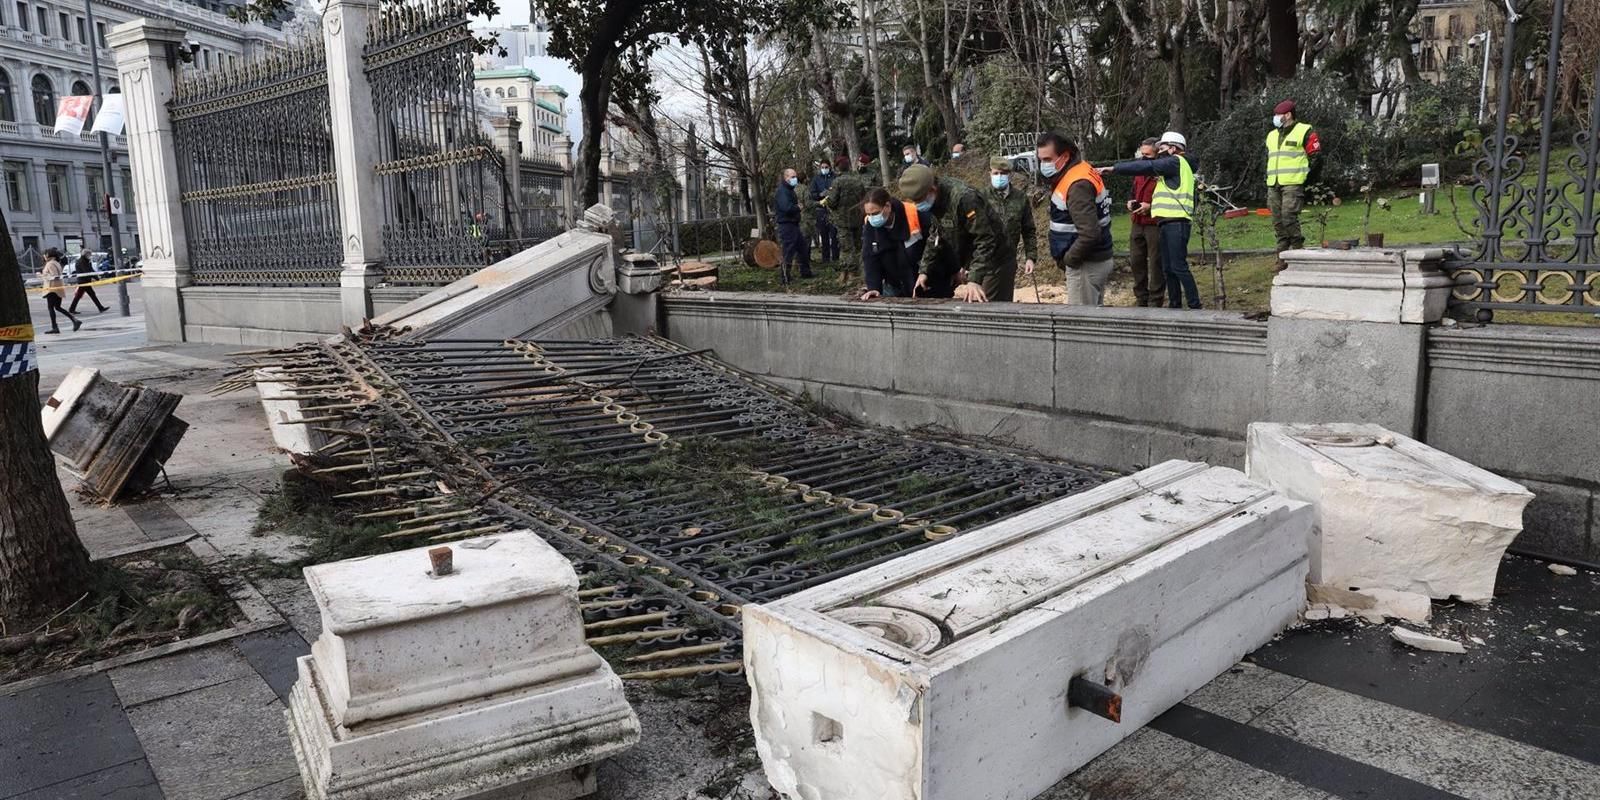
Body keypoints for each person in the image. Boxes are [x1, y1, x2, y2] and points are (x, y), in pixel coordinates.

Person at [1101, 131, 1201, 309]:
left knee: (1178, 266)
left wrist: (1114, 169)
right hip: (1168, 222)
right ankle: (1175, 305)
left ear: (1172, 148)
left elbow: (1142, 167)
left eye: (1161, 148)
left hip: (1176, 222)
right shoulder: (1176, 165)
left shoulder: (1175, 161)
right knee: (1169, 268)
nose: (1159, 153)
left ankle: (1195, 306)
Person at [898, 164, 1005, 302]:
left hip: (996, 259)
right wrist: (924, 271)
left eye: (920, 200)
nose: (918, 205)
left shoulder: (964, 198)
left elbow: (986, 239)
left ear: (932, 189)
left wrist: (975, 279)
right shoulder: (935, 201)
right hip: (974, 261)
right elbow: (936, 235)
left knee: (988, 309)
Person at [1035, 132, 1113, 306]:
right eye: (1041, 160)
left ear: (1065, 156)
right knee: (1093, 319)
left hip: (1086, 264)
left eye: (1048, 159)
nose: (1043, 165)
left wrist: (1069, 259)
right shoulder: (1080, 169)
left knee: (1081, 324)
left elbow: (1090, 233)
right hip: (1094, 259)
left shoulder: (1077, 185)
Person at [1266, 99, 1321, 270]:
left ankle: (1298, 253)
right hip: (1273, 184)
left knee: (1288, 217)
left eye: (1278, 115)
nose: (1275, 118)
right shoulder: (1272, 135)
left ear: (1288, 115)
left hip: (1293, 183)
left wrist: (1306, 178)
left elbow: (1317, 157)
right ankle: (1282, 258)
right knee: (1277, 221)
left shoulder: (1305, 131)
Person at [985, 157, 1036, 303]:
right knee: (985, 304)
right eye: (995, 173)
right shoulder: (981, 197)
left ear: (1010, 175)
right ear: (990, 173)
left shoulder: (1020, 198)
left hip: (1008, 259)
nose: (999, 177)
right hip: (986, 259)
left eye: (1003, 173)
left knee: (1006, 302)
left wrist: (1030, 257)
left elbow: (1029, 230)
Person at [858, 187, 922, 299]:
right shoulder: (870, 225)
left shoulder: (914, 214)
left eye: (875, 213)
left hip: (920, 279)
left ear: (887, 206)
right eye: (869, 214)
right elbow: (870, 257)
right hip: (893, 282)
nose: (872, 218)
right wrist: (874, 287)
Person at [1126, 138, 1166, 307]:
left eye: (1147, 155)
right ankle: (1141, 297)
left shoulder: (1163, 172)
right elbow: (1133, 190)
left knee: (1156, 262)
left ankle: (1156, 299)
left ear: (1157, 154)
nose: (1143, 158)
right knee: (1136, 261)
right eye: (1142, 154)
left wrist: (1151, 207)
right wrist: (1130, 201)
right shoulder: (1139, 170)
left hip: (1154, 223)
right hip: (1137, 222)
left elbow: (1169, 196)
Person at [773, 168, 813, 281]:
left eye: (795, 176)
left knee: (802, 248)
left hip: (793, 224)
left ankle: (805, 272)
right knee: (788, 251)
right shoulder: (782, 191)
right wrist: (798, 207)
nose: (795, 179)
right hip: (787, 224)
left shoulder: (789, 190)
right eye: (793, 177)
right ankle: (785, 276)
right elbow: (786, 207)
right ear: (786, 178)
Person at [39, 249, 83, 334]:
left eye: (45, 254)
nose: (44, 256)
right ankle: (74, 320)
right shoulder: (57, 263)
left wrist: (42, 275)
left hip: (52, 289)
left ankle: (55, 327)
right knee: (57, 307)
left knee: (51, 308)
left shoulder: (50, 264)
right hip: (58, 288)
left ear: (48, 255)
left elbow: (54, 276)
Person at [809, 160, 840, 264]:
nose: (824, 169)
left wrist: (831, 193)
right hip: (821, 209)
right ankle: (825, 258)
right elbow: (812, 193)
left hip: (833, 209)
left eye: (826, 167)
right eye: (823, 167)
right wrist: (820, 195)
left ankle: (836, 257)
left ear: (830, 167)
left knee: (834, 234)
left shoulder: (835, 177)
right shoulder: (816, 179)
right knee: (824, 234)